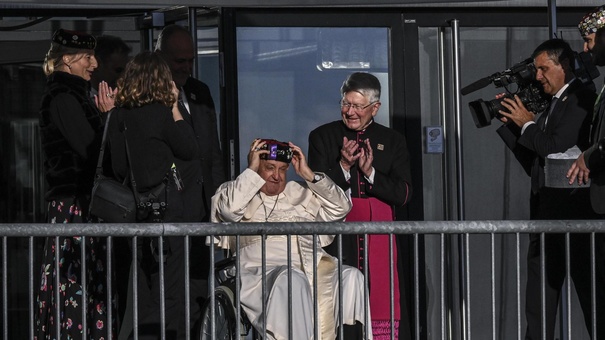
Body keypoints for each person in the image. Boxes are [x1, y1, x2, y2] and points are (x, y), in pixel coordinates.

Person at [495, 38, 605, 340]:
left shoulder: (581, 96)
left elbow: (553, 146)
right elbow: (536, 162)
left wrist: (528, 125)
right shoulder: (555, 102)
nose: (538, 76)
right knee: (539, 305)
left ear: (564, 65)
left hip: (577, 216)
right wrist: (512, 126)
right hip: (546, 217)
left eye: (544, 69)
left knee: (593, 300)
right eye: (536, 70)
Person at [211, 138, 370, 340]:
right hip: (260, 270)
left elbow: (342, 208)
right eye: (269, 168)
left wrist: (308, 174)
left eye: (283, 169)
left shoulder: (300, 191)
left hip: (310, 265)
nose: (277, 176)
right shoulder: (235, 191)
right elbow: (229, 212)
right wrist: (251, 171)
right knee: (292, 279)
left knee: (351, 277)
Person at [307, 72, 412, 339]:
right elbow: (315, 187)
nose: (350, 112)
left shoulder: (393, 140)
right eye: (346, 104)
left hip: (380, 237)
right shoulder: (322, 136)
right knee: (337, 305)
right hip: (339, 237)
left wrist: (372, 174)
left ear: (375, 108)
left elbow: (403, 194)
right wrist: (343, 166)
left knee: (382, 301)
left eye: (358, 106)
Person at [108, 51, 198, 340]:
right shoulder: (161, 112)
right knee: (171, 290)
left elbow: (118, 166)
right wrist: (173, 107)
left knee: (144, 288)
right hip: (168, 209)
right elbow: (189, 149)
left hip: (135, 211)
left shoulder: (119, 115)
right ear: (162, 79)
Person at [36, 28, 114, 339]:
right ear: (67, 60)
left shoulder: (72, 96)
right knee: (74, 283)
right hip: (73, 207)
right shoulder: (64, 98)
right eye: (88, 57)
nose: (94, 64)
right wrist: (107, 118)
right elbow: (90, 149)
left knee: (79, 283)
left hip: (77, 205)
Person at [155, 24, 226, 325]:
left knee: (200, 287)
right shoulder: (149, 97)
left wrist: (222, 201)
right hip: (170, 209)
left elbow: (214, 154)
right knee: (170, 294)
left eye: (190, 60)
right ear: (160, 58)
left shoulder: (200, 91)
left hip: (203, 208)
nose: (185, 67)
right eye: (178, 60)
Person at [90, 35, 131, 113]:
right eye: (118, 70)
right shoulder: (80, 99)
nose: (123, 77)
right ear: (97, 64)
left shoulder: (125, 99)